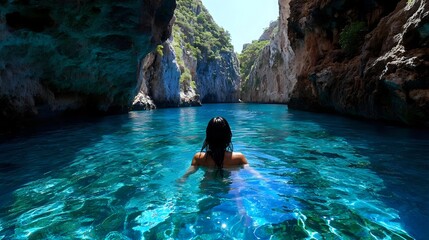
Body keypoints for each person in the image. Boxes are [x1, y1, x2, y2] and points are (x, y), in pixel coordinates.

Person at [179, 116, 248, 181]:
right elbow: (253, 173)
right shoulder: (238, 158)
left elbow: (186, 175)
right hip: (230, 187)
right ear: (228, 136)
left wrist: (181, 180)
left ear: (208, 136)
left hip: (206, 187)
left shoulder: (199, 158)